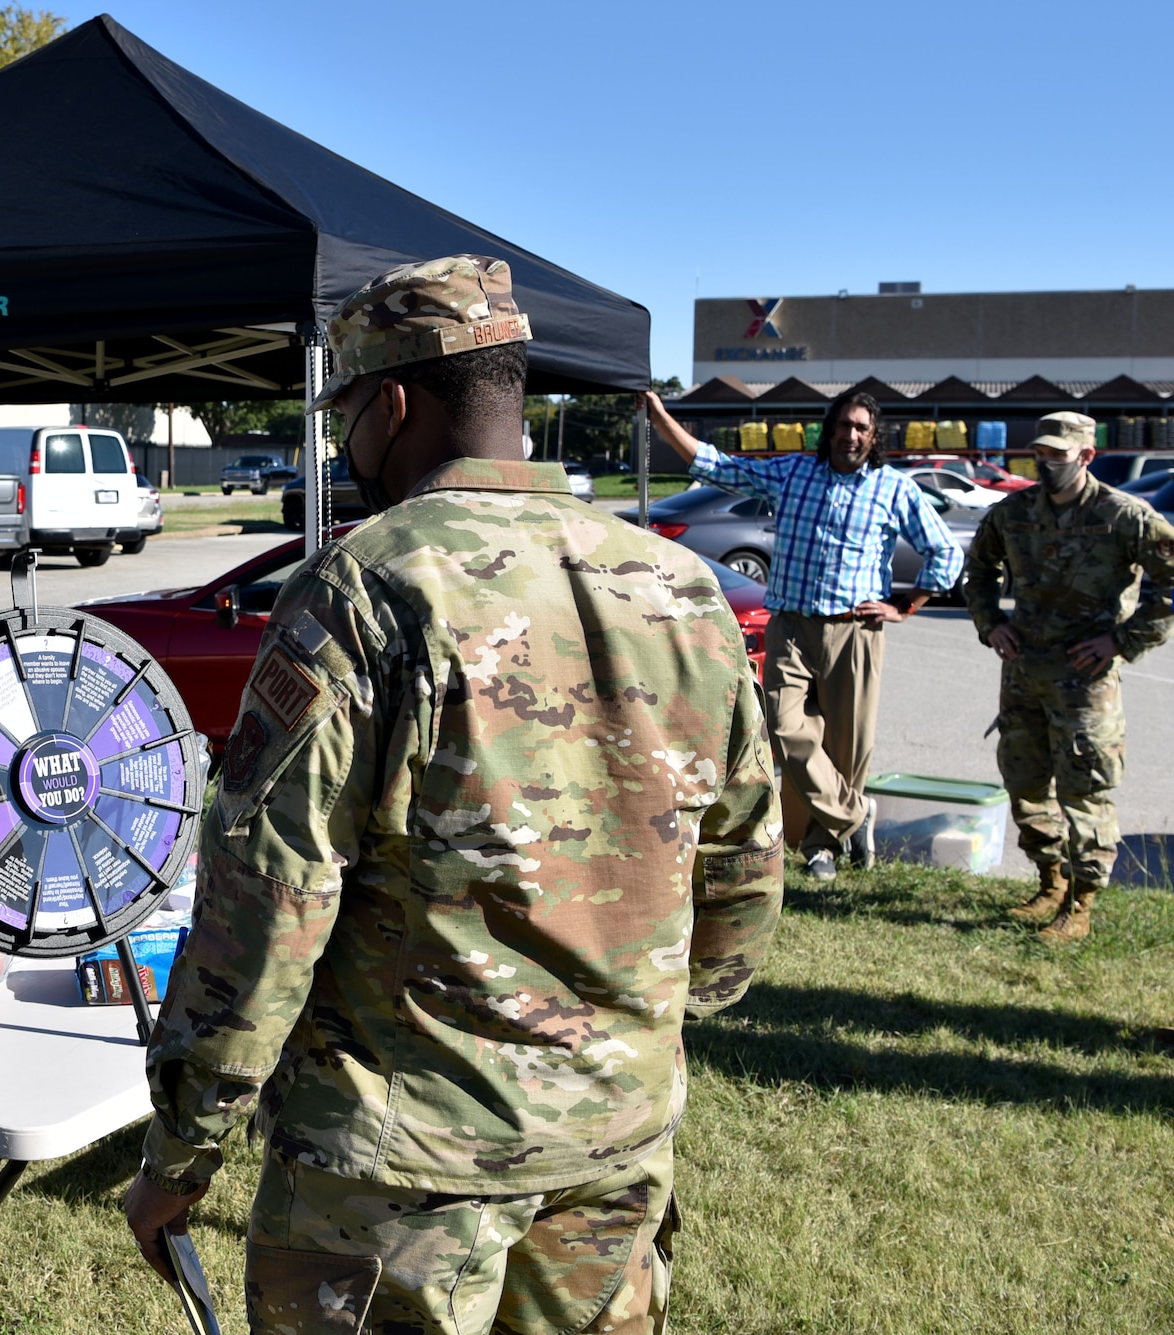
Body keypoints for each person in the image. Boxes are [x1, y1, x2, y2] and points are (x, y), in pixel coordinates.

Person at [122, 256, 784, 1335]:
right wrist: (641, 1033)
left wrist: (182, 1150)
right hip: (612, 1144)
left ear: (389, 402)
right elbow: (745, 861)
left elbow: (268, 899)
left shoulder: (366, 584)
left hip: (399, 1174)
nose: (344, 442)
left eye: (345, 412)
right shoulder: (678, 586)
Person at [641, 390, 965, 881]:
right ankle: (855, 816)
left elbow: (946, 553)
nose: (850, 435)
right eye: (844, 425)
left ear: (873, 437)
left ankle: (822, 849)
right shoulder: (793, 473)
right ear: (829, 428)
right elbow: (716, 466)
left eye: (861, 428)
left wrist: (905, 606)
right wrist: (662, 419)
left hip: (855, 631)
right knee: (785, 728)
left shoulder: (893, 489)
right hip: (791, 626)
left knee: (847, 747)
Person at [965, 411, 1174, 941]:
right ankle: (1050, 882)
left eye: (1059, 454)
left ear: (1087, 456)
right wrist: (992, 625)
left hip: (1086, 681)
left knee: (1086, 790)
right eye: (1042, 452)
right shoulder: (1012, 513)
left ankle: (1080, 905)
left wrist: (1122, 642)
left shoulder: (1125, 515)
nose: (1046, 462)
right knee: (1026, 782)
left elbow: (1170, 584)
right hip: (1024, 675)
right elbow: (978, 570)